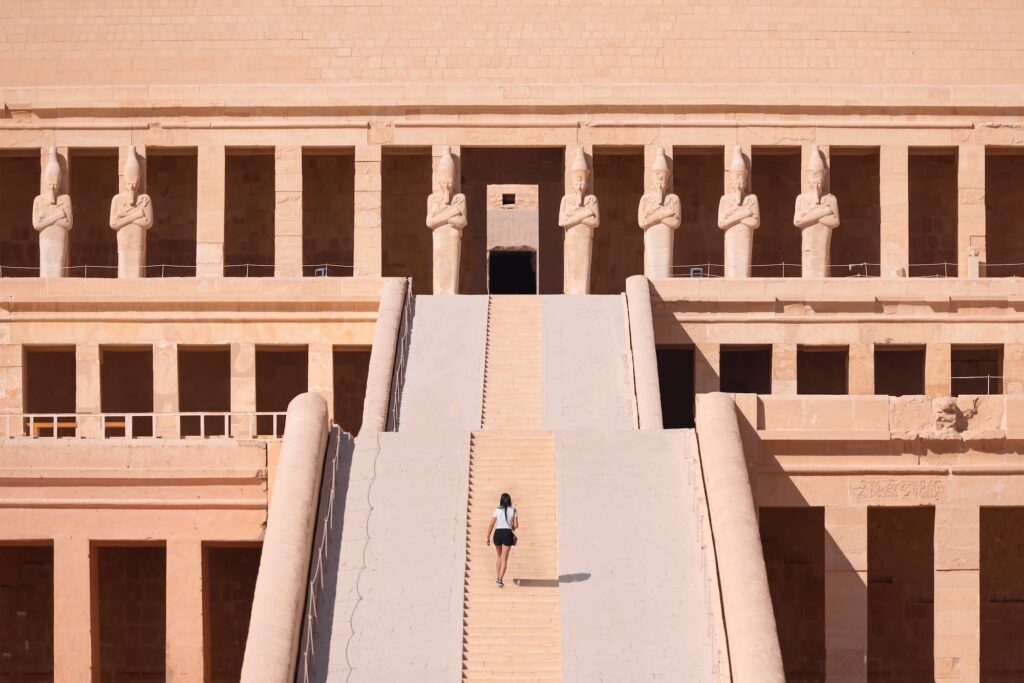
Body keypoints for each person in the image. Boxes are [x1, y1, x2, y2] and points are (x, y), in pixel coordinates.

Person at [486, 492, 518, 588]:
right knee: (504, 558)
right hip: (507, 533)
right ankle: (500, 579)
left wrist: (487, 537)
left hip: (497, 533)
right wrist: (510, 526)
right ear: (509, 500)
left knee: (499, 556)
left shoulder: (497, 510)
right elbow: (516, 525)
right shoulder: (513, 510)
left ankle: (497, 577)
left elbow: (491, 524)